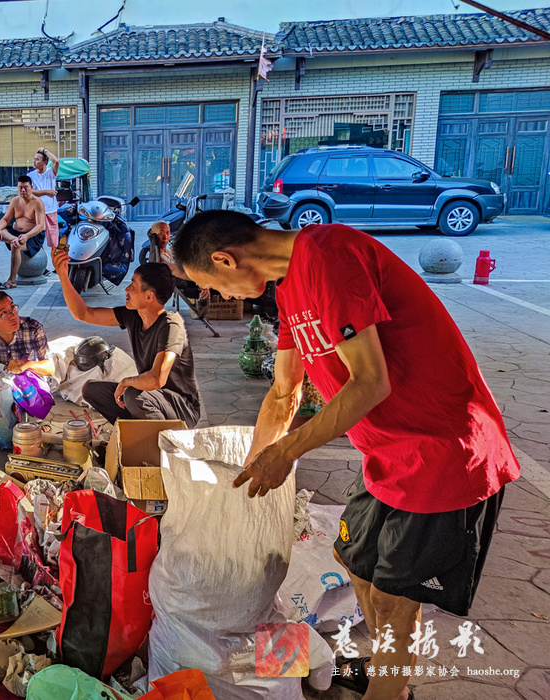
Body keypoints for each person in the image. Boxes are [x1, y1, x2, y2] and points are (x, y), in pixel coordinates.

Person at [172, 210, 521, 700]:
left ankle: (392, 688)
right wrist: (248, 473)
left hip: (441, 449)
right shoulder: (289, 290)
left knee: (393, 599)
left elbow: (371, 382)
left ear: (225, 259)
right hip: (385, 454)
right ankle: (385, 671)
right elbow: (283, 393)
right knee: (354, 562)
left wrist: (286, 452)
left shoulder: (330, 254)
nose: (221, 298)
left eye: (211, 286)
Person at [52, 250, 200, 427]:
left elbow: (157, 379)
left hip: (182, 409)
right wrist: (63, 275)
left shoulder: (171, 325)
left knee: (132, 393)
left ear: (149, 296)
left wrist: (126, 382)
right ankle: (130, 433)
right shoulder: (133, 316)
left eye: (133, 286)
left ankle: (162, 440)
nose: (126, 289)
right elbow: (83, 313)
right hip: (152, 400)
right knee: (91, 389)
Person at [0, 175, 45, 290]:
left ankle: (12, 280)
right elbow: (5, 219)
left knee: (15, 246)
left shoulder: (38, 202)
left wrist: (26, 236)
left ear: (31, 187)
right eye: (20, 187)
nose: (23, 190)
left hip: (33, 236)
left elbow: (40, 226)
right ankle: (13, 239)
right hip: (15, 234)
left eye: (26, 187)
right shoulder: (15, 201)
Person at [28, 147, 59, 249]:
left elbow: (56, 161)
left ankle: (54, 257)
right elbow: (29, 192)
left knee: (53, 239)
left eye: (37, 159)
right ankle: (39, 256)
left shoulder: (51, 172)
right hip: (36, 211)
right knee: (36, 237)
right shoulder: (31, 175)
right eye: (34, 159)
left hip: (50, 209)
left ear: (44, 162)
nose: (34, 161)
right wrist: (47, 192)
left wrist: (45, 150)